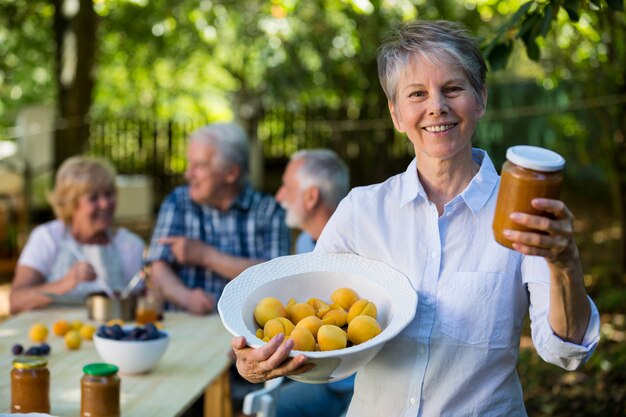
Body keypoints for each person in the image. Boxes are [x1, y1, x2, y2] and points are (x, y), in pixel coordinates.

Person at [230, 20, 600, 416]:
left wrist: (565, 264)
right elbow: (314, 326)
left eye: (453, 88)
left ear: (481, 99)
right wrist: (256, 361)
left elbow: (563, 350)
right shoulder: (361, 211)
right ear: (396, 114)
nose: (436, 106)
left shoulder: (520, 213)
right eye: (417, 93)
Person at [145, 121, 290, 315]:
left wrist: (206, 256)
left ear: (231, 173)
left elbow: (276, 277)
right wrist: (186, 297)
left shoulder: (269, 211)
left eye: (199, 166)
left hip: (246, 331)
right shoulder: (177, 201)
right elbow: (158, 267)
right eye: (190, 164)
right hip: (185, 324)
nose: (188, 174)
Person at [268, 149, 352, 417]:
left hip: (355, 384)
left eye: (287, 186)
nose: (279, 196)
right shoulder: (304, 242)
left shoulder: (360, 243)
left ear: (311, 196)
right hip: (316, 377)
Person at [10, 156, 145, 313]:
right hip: (54, 333)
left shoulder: (130, 244)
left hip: (110, 335)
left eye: (109, 194)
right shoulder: (47, 237)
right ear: (71, 204)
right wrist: (67, 282)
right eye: (93, 198)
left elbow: (141, 304)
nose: (105, 203)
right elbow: (16, 301)